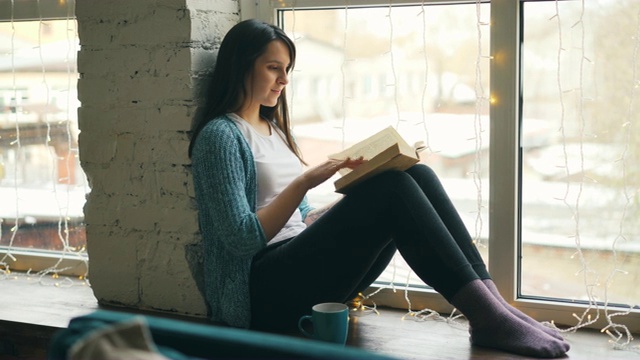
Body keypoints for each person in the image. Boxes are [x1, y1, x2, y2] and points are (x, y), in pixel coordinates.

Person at [189, 18, 570, 358]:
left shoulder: (274, 131)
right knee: (390, 189)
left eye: (287, 69)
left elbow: (302, 218)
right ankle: (488, 317)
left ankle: (493, 307)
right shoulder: (220, 137)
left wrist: (355, 192)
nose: (284, 80)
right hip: (261, 293)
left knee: (415, 177)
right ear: (241, 66)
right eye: (273, 68)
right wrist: (308, 179)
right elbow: (240, 240)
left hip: (298, 269)